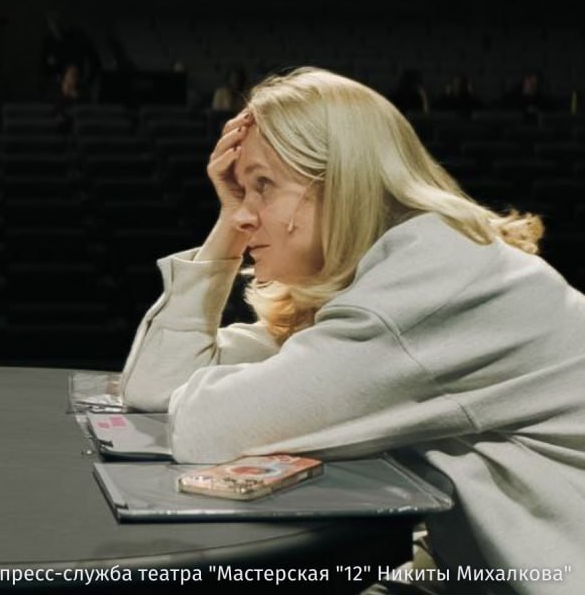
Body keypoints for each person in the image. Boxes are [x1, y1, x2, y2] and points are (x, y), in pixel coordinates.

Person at [119, 67, 584, 593]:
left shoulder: (432, 286)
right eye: (240, 191)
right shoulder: (383, 277)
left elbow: (208, 426)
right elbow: (157, 386)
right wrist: (229, 226)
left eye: (263, 185)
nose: (245, 215)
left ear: (341, 182)